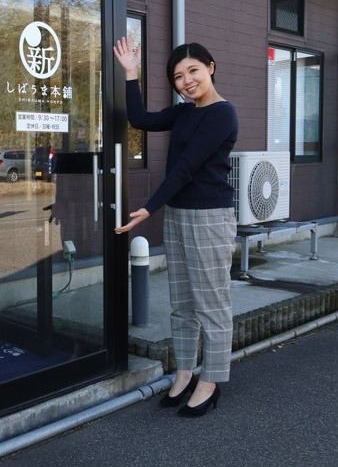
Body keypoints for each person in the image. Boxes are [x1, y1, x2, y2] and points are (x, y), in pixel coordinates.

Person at [112, 37, 238, 417]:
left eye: (193, 71)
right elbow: (141, 120)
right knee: (182, 305)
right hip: (180, 215)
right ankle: (185, 372)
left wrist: (149, 208)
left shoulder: (222, 114)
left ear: (210, 67)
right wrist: (131, 74)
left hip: (210, 218)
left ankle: (211, 381)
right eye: (179, 77)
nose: (187, 81)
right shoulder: (184, 113)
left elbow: (186, 168)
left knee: (211, 305)